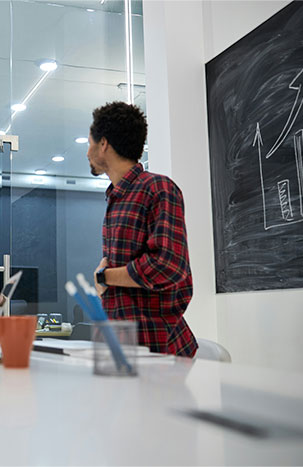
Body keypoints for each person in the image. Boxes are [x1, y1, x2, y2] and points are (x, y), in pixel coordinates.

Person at [87, 101, 198, 357]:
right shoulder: (116, 198)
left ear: (103, 144)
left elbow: (167, 265)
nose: (87, 151)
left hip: (158, 348)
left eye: (89, 141)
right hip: (124, 345)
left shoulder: (158, 189)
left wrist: (105, 276)